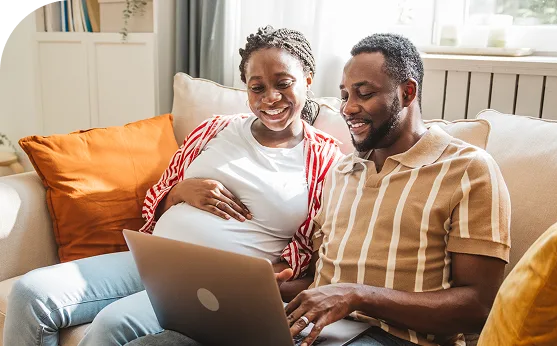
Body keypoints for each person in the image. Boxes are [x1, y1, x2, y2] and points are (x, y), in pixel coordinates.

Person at [128, 33, 511, 346]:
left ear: (407, 93)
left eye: (364, 93)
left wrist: (355, 296)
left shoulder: (467, 169)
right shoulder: (342, 172)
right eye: (345, 95)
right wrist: (247, 283)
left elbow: (478, 304)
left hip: (394, 337)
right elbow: (322, 279)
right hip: (314, 327)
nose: (348, 108)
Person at [3, 25, 344, 346]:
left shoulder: (326, 159)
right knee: (30, 292)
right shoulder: (215, 129)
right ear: (246, 89)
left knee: (113, 322)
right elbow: (156, 199)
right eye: (257, 87)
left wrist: (270, 283)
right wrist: (181, 192)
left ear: (307, 80)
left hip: (216, 281)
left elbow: (319, 252)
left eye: (283, 83)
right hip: (154, 256)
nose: (270, 97)